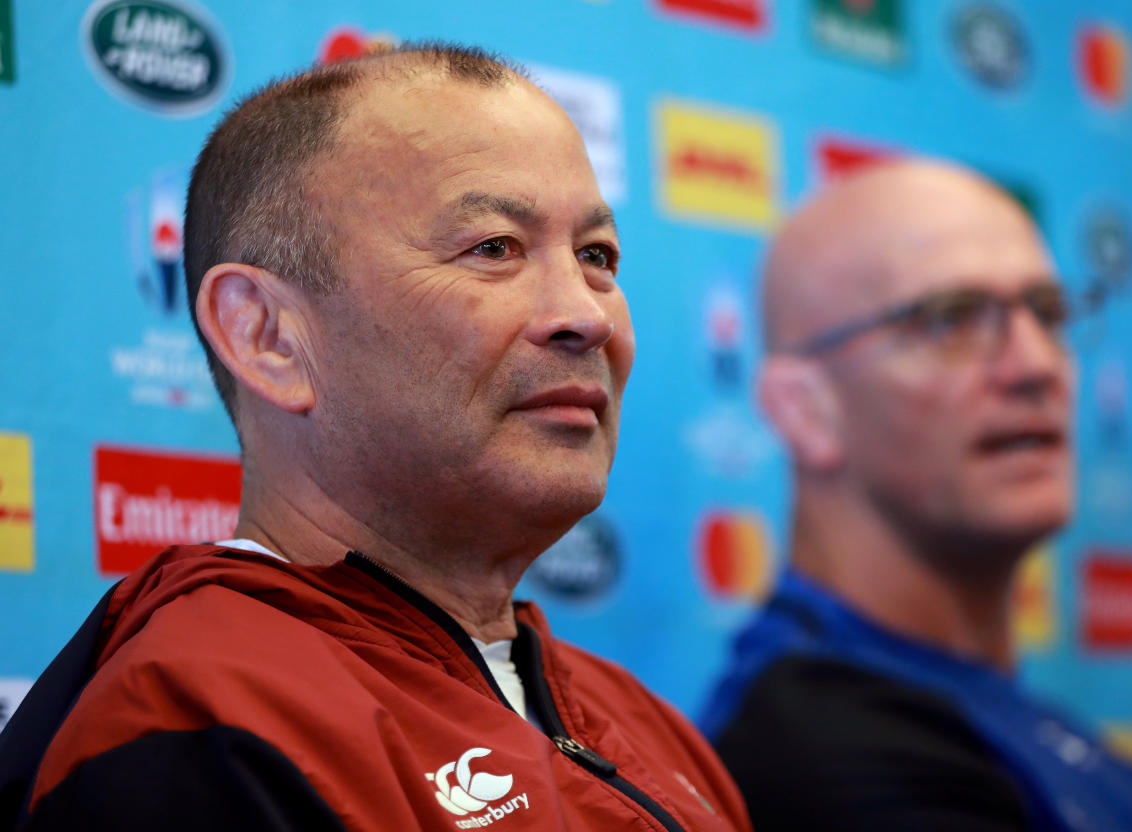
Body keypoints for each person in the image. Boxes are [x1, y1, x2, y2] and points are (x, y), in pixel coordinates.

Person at [0, 44, 751, 831]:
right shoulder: (197, 726)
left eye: (596, 256)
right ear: (267, 337)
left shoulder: (648, 727)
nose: (587, 315)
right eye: (494, 248)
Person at [699, 160, 1132, 831]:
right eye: (953, 320)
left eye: (1048, 314)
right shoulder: (822, 756)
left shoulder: (989, 713)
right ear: (805, 409)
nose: (1034, 366)